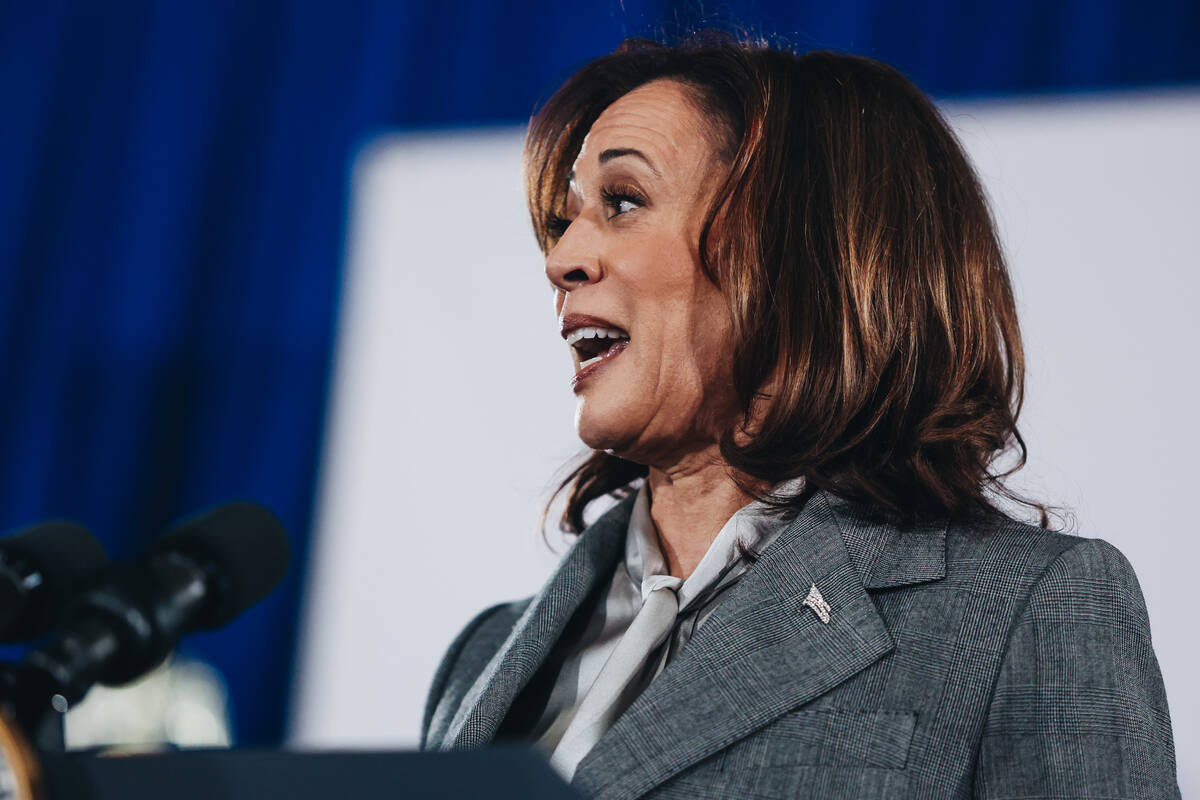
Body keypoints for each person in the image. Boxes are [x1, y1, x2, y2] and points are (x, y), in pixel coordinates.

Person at [420, 34, 1180, 799]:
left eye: (623, 202)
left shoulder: (1026, 610)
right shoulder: (482, 657)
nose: (561, 258)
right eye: (563, 220)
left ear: (801, 252)